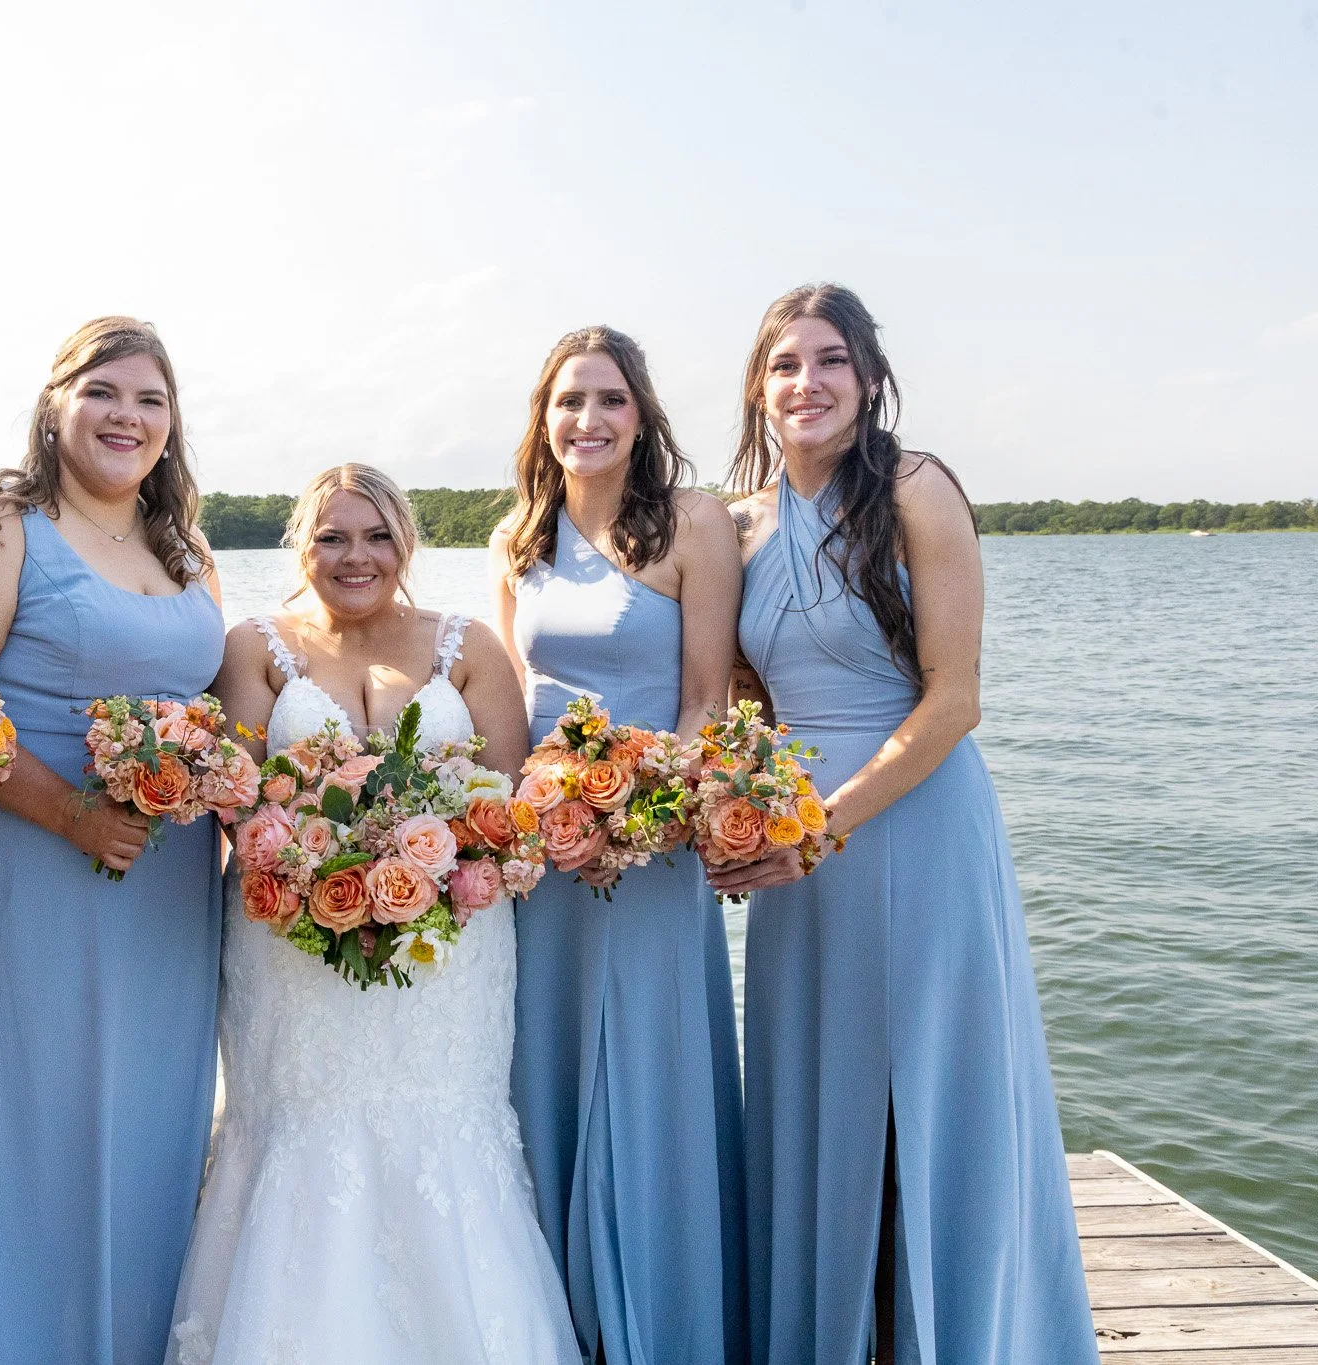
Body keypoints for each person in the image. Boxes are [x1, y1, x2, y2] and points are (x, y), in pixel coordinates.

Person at [720, 283, 1097, 1363]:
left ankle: (959, 1335)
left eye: (829, 359)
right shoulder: (738, 524)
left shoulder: (916, 489)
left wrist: (822, 825)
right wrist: (733, 810)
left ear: (869, 379)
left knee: (931, 1084)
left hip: (913, 825)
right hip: (798, 852)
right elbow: (747, 695)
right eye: (785, 364)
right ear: (757, 387)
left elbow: (954, 698)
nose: (807, 382)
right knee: (819, 1095)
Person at [167, 462, 582, 1365]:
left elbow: (507, 813)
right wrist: (315, 861)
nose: (356, 556)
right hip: (291, 948)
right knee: (298, 1132)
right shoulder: (256, 645)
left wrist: (429, 866)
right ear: (300, 547)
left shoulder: (466, 644)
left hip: (451, 953)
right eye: (331, 537)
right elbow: (241, 804)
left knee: (445, 1128)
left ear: (407, 543)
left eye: (377, 536)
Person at [0, 316, 226, 1365]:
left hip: (171, 890)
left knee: (149, 1134)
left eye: (150, 399)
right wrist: (73, 813)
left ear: (171, 426)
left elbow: (213, 704)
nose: (126, 416)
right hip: (33, 869)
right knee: (36, 1127)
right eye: (104, 392)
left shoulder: (182, 546)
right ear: (55, 404)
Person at [491, 326, 749, 1363]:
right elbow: (511, 706)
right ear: (541, 419)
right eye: (566, 401)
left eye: (607, 400)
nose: (585, 421)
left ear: (641, 417)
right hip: (542, 850)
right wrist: (533, 817)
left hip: (652, 842)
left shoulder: (691, 524)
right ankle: (555, 1317)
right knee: (539, 1058)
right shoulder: (517, 539)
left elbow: (706, 698)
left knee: (647, 1064)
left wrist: (638, 812)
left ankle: (663, 1316)